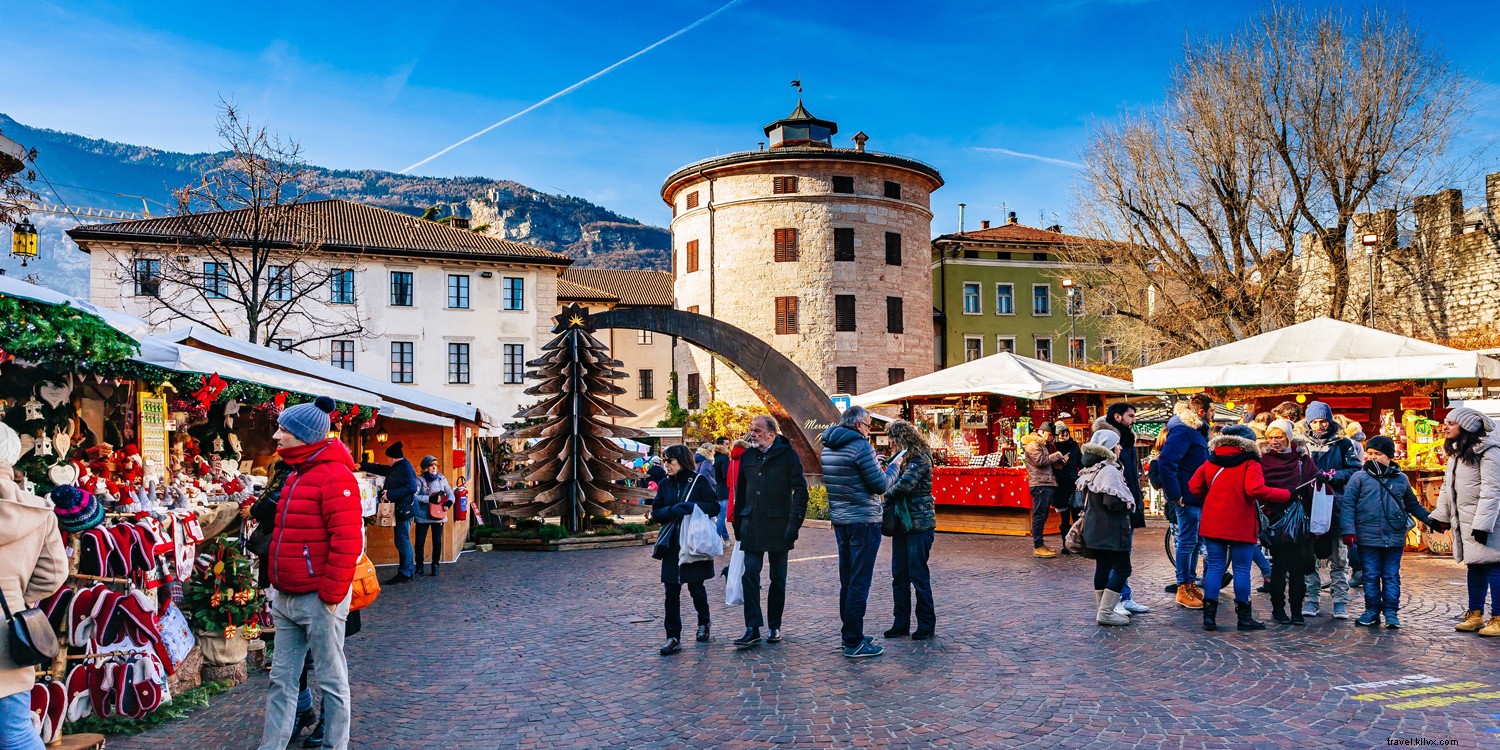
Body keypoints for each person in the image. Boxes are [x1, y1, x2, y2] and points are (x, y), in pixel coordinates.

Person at [259, 396, 362, 750]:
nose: (276, 436)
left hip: (319, 598)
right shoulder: (296, 474)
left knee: (332, 680)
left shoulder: (334, 476)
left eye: (283, 430)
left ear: (303, 436)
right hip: (288, 595)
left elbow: (347, 541)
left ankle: (336, 745)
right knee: (281, 680)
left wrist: (331, 597)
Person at [0, 423, 67, 750]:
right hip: (7, 634)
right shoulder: (38, 510)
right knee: (15, 733)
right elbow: (54, 573)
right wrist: (18, 598)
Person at [1189, 424, 1287, 632]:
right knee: (1241, 569)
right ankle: (1244, 618)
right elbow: (1255, 489)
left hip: (1213, 520)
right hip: (1240, 522)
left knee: (1215, 567)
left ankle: (1209, 618)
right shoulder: (1250, 462)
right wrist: (1285, 494)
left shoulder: (1211, 460)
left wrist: (1213, 498)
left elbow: (1194, 487)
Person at [1340, 436, 1443, 628]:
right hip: (1367, 536)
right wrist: (1348, 530)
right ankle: (1371, 610)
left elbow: (1413, 505)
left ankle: (1391, 612)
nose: (1372, 457)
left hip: (1394, 536)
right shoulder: (1359, 477)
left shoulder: (1401, 479)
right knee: (1370, 575)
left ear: (1389, 456)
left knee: (1390, 575)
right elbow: (1348, 505)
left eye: (1377, 454)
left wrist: (1432, 521)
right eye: (1369, 453)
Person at [733, 415, 809, 649]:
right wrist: (738, 524)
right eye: (751, 430)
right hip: (752, 524)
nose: (752, 434)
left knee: (778, 578)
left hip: (779, 525)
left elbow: (800, 491)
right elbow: (741, 492)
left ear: (771, 435)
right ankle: (752, 627)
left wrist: (793, 524)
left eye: (756, 430)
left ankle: (774, 625)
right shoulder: (747, 456)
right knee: (750, 574)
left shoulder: (787, 455)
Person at [820, 405, 888, 658]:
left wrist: (873, 463)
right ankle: (854, 641)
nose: (870, 431)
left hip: (842, 521)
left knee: (847, 580)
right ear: (859, 425)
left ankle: (849, 632)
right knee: (859, 581)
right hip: (864, 521)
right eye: (869, 425)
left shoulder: (828, 447)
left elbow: (848, 477)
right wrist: (893, 467)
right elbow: (879, 484)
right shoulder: (861, 447)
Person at [1430, 407, 1500, 636]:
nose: (1446, 426)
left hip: (1488, 521)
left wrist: (1483, 525)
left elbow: (1493, 489)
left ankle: (1498, 617)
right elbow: (1447, 488)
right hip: (1467, 520)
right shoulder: (1457, 453)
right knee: (1475, 566)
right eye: (1446, 422)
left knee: (1493, 566)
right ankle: (1475, 614)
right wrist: (1440, 516)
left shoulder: (1489, 451)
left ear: (1466, 427)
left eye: (1451, 422)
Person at [650, 444, 721, 655]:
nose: (666, 465)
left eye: (669, 461)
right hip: (671, 544)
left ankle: (704, 622)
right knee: (671, 591)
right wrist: (671, 510)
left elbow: (714, 506)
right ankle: (672, 636)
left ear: (681, 461)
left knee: (696, 588)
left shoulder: (699, 481)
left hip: (693, 541)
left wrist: (693, 508)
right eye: (664, 461)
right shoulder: (664, 484)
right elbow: (656, 512)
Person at [1301, 401, 1362, 620]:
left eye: (1323, 420)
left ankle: (1340, 602)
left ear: (1330, 420)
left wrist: (1333, 476)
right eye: (1315, 421)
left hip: (1336, 504)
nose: (1319, 425)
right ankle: (1311, 598)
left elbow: (1355, 469)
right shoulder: (1301, 444)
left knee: (1339, 558)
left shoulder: (1343, 444)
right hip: (1308, 505)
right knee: (1310, 558)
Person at [1258, 419, 1319, 624]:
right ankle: (1278, 609)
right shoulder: (1263, 460)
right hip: (1275, 519)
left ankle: (1297, 610)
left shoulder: (1302, 459)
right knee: (1279, 567)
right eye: (1271, 437)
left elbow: (1314, 481)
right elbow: (1258, 489)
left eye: (1279, 437)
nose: (1275, 441)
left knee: (1298, 569)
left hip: (1299, 521)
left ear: (1288, 438)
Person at [881, 419, 937, 640]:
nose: (890, 444)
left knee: (918, 575)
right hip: (903, 525)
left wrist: (884, 490)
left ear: (900, 438)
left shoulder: (919, 458)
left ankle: (926, 624)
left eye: (892, 440)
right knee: (899, 575)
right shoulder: (902, 459)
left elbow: (904, 486)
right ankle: (900, 622)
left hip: (919, 524)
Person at [1160, 394, 1213, 609]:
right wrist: (1175, 495)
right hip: (1187, 498)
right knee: (1188, 542)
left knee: (1195, 542)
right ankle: (1183, 586)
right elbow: (1166, 462)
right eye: (1211, 411)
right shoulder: (1184, 431)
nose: (1213, 415)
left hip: (1196, 497)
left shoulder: (1195, 432)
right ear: (1201, 412)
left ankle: (1189, 584)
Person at [1077, 429, 1134, 626]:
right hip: (1111, 530)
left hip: (1094, 529)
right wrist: (1127, 503)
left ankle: (1103, 609)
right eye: (1117, 444)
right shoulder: (1109, 470)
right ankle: (1106, 612)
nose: (1120, 448)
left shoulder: (1091, 468)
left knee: (1103, 567)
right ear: (1110, 447)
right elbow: (1112, 501)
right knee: (1122, 568)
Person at [1101, 403, 1151, 615]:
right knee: (1117, 554)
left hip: (1128, 502)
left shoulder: (1126, 441)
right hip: (1115, 506)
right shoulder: (1108, 440)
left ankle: (1124, 595)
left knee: (1125, 551)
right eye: (1131, 416)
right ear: (1118, 417)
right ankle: (1116, 599)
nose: (1134, 420)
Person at [1022, 422, 1068, 558]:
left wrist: (1061, 460)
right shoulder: (1033, 445)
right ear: (1041, 432)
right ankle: (1038, 546)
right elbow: (1040, 461)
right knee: (1039, 515)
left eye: (1053, 436)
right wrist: (1057, 455)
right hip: (1040, 484)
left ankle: (1040, 545)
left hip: (1046, 483)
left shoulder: (1043, 445)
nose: (1051, 438)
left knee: (1042, 515)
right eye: (1049, 435)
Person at [381, 442, 419, 585]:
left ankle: (405, 572)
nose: (387, 461)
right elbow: (383, 469)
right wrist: (364, 465)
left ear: (392, 458)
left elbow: (411, 487)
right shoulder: (399, 466)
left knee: (402, 541)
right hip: (402, 508)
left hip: (404, 509)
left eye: (387, 459)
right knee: (402, 540)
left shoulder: (404, 468)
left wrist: (390, 494)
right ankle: (407, 570)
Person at [413, 456, 454, 577]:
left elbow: (450, 492)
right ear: (425, 468)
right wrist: (429, 499)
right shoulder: (419, 480)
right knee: (420, 542)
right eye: (431, 465)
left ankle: (435, 565)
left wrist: (449, 502)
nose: (434, 467)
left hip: (438, 514)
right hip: (422, 515)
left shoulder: (442, 478)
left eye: (435, 465)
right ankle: (419, 566)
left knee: (437, 541)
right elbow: (414, 496)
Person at [1052, 424, 1083, 555]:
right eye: (1061, 434)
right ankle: (1065, 543)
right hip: (1061, 486)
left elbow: (1080, 463)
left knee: (1076, 515)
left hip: (1073, 484)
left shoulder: (1074, 446)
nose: (1064, 437)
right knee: (1064, 518)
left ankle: (1076, 543)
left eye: (1066, 434)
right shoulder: (1055, 448)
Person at [713, 436, 732, 540]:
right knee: (721, 515)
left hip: (715, 488)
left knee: (720, 514)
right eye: (726, 443)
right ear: (721, 445)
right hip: (723, 489)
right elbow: (726, 475)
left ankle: (726, 538)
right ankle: (715, 539)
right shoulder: (724, 458)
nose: (728, 445)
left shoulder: (713, 457)